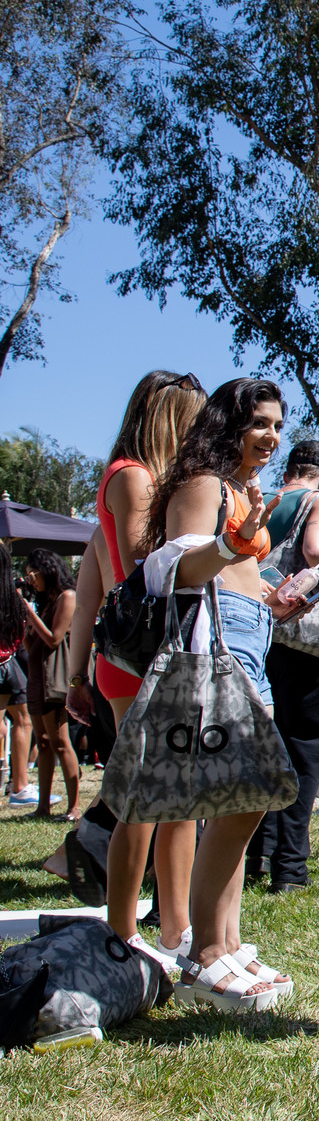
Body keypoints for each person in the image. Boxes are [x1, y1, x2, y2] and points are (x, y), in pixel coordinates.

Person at [140, 377, 296, 1009]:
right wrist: (232, 544)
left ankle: (225, 942)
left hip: (251, 637)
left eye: (278, 426)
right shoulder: (203, 485)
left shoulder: (238, 489)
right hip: (214, 645)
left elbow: (236, 571)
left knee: (247, 797)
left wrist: (275, 594)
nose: (271, 436)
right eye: (260, 423)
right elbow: (174, 570)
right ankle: (203, 954)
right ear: (228, 423)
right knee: (235, 797)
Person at [79, 370, 207, 959]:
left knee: (177, 796)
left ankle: (176, 928)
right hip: (137, 655)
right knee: (145, 795)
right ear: (170, 418)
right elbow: (140, 569)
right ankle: (123, 929)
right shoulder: (132, 475)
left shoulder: (153, 478)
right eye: (192, 419)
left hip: (157, 650)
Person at [246, 440, 319, 893]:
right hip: (299, 636)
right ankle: (290, 867)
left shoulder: (265, 497)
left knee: (263, 746)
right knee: (305, 747)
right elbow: (317, 551)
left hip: (255, 633)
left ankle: (256, 856)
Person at [18, 548, 79, 821]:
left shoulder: (67, 597)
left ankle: (73, 807)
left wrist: (30, 614)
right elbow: (33, 645)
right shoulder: (45, 602)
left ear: (47, 570)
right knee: (42, 743)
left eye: (34, 573)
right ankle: (43, 807)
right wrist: (24, 624)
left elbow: (54, 639)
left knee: (61, 743)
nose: (31, 579)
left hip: (54, 679)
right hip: (36, 678)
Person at [0, 543, 32, 806]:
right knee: (21, 720)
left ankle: (18, 785)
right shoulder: (12, 597)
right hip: (6, 663)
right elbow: (20, 634)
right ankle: (19, 785)